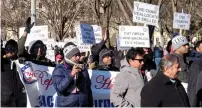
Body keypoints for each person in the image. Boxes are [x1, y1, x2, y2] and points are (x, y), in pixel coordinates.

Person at [52, 42, 93, 107]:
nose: (78, 58)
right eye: (75, 55)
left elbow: (88, 88)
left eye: (79, 55)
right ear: (69, 56)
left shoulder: (83, 68)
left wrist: (90, 104)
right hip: (67, 105)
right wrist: (71, 74)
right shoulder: (59, 69)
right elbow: (59, 88)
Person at [1, 39, 27, 107]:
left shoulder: (21, 62)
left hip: (20, 101)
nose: (10, 53)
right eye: (8, 49)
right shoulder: (3, 62)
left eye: (13, 50)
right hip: (6, 101)